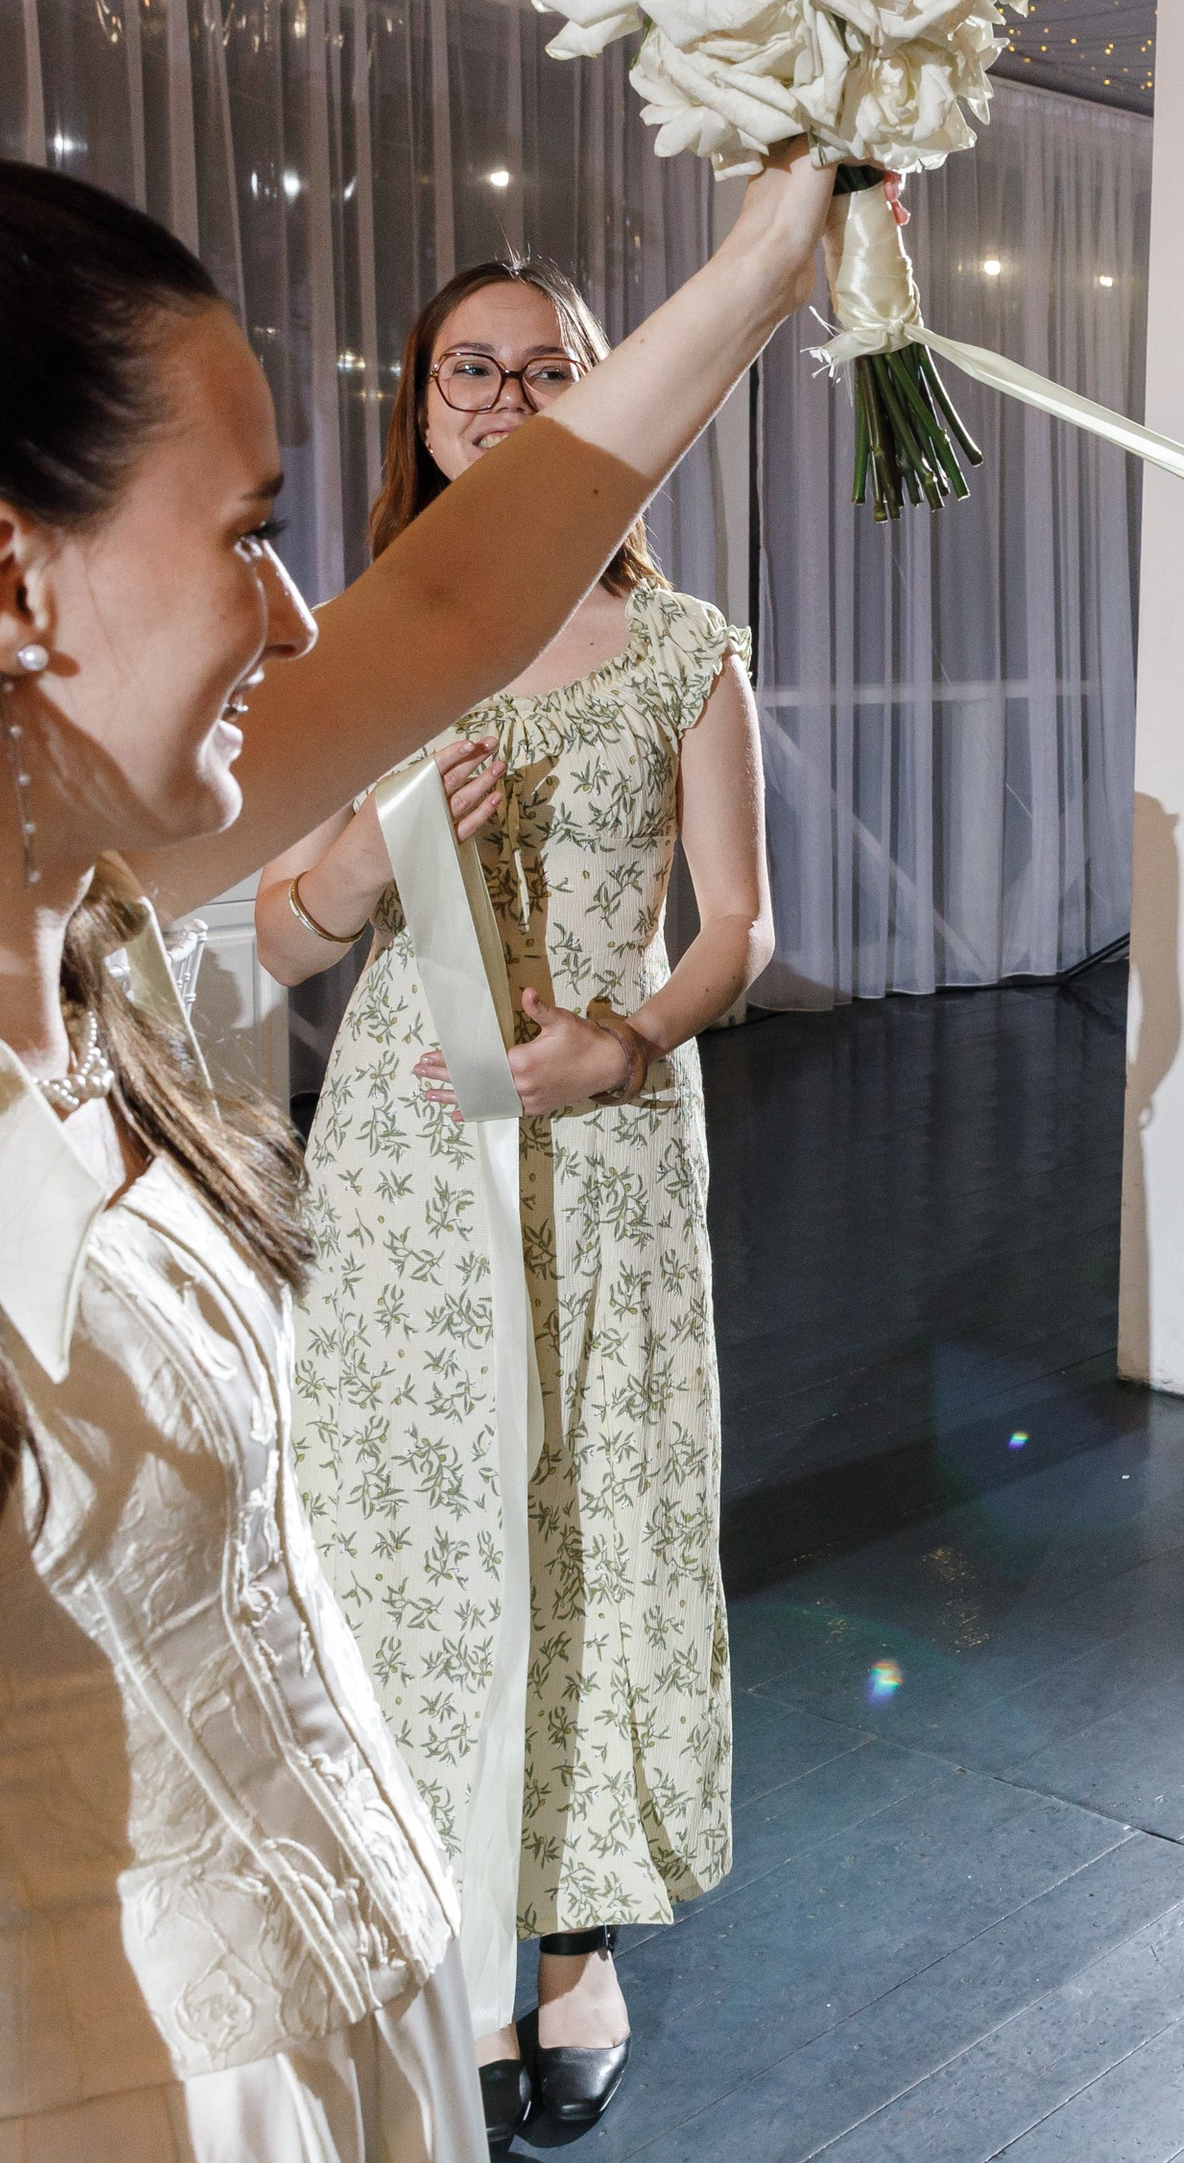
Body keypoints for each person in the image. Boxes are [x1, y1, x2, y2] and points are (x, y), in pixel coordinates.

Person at [0, 151, 831, 2158]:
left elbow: (464, 595)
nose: (303, 612)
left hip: (337, 2031)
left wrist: (769, 257)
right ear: (20, 585)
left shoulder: (77, 865)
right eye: (250, 535)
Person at [256, 258, 773, 2144]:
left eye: (546, 365)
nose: (499, 393)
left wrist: (629, 1042)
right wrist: (376, 840)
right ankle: (448, 1929)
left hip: (610, 1151)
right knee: (423, 1522)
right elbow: (286, 931)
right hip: (406, 1159)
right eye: (466, 367)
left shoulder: (682, 644)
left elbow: (740, 926)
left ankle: (568, 1948)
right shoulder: (368, 651)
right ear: (418, 403)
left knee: (592, 1519)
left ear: (600, 396)